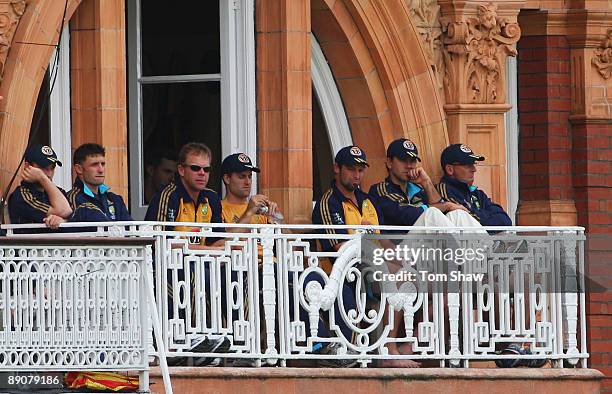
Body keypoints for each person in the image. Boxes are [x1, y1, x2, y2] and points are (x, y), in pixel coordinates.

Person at [145, 142, 228, 366]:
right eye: (195, 168)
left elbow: (218, 238)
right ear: (181, 170)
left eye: (206, 169)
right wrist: (209, 252)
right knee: (194, 273)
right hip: (160, 268)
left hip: (198, 262)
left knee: (229, 274)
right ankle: (194, 338)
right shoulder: (168, 196)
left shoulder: (211, 198)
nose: (202, 174)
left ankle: (223, 337)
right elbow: (163, 242)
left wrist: (216, 253)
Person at [311, 145, 383, 367]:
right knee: (383, 283)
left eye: (360, 170)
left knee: (405, 278)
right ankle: (353, 351)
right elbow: (339, 249)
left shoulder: (367, 199)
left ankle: (386, 350)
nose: (357, 175)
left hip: (371, 265)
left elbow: (381, 238)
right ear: (336, 168)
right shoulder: (329, 202)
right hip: (338, 272)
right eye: (351, 169)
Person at [369, 138, 482, 228]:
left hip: (426, 247)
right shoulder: (380, 189)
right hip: (399, 250)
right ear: (389, 163)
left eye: (412, 161)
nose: (409, 166)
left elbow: (443, 214)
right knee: (432, 213)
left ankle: (486, 252)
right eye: (403, 160)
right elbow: (407, 215)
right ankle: (464, 255)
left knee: (457, 214)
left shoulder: (418, 189)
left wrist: (426, 183)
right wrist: (446, 205)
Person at [437, 143, 512, 226]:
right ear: (449, 169)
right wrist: (487, 214)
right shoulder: (444, 191)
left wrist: (478, 214)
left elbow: (505, 220)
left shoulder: (477, 193)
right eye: (468, 165)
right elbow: (466, 218)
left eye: (473, 164)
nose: (474, 169)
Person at [8, 144, 72, 230]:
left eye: (52, 168)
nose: (49, 173)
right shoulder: (21, 195)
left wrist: (64, 222)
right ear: (27, 167)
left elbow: (75, 216)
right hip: (31, 243)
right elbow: (64, 211)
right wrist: (42, 178)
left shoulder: (58, 192)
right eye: (43, 167)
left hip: (56, 243)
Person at [68, 143, 132, 222]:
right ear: (79, 169)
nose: (101, 170)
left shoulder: (115, 200)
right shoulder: (71, 199)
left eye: (103, 164)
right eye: (94, 165)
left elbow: (130, 230)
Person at [220, 153, 283, 226]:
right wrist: (249, 212)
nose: (248, 182)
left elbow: (290, 237)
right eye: (242, 177)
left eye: (250, 176)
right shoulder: (218, 209)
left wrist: (278, 217)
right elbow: (225, 237)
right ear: (227, 179)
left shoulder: (261, 209)